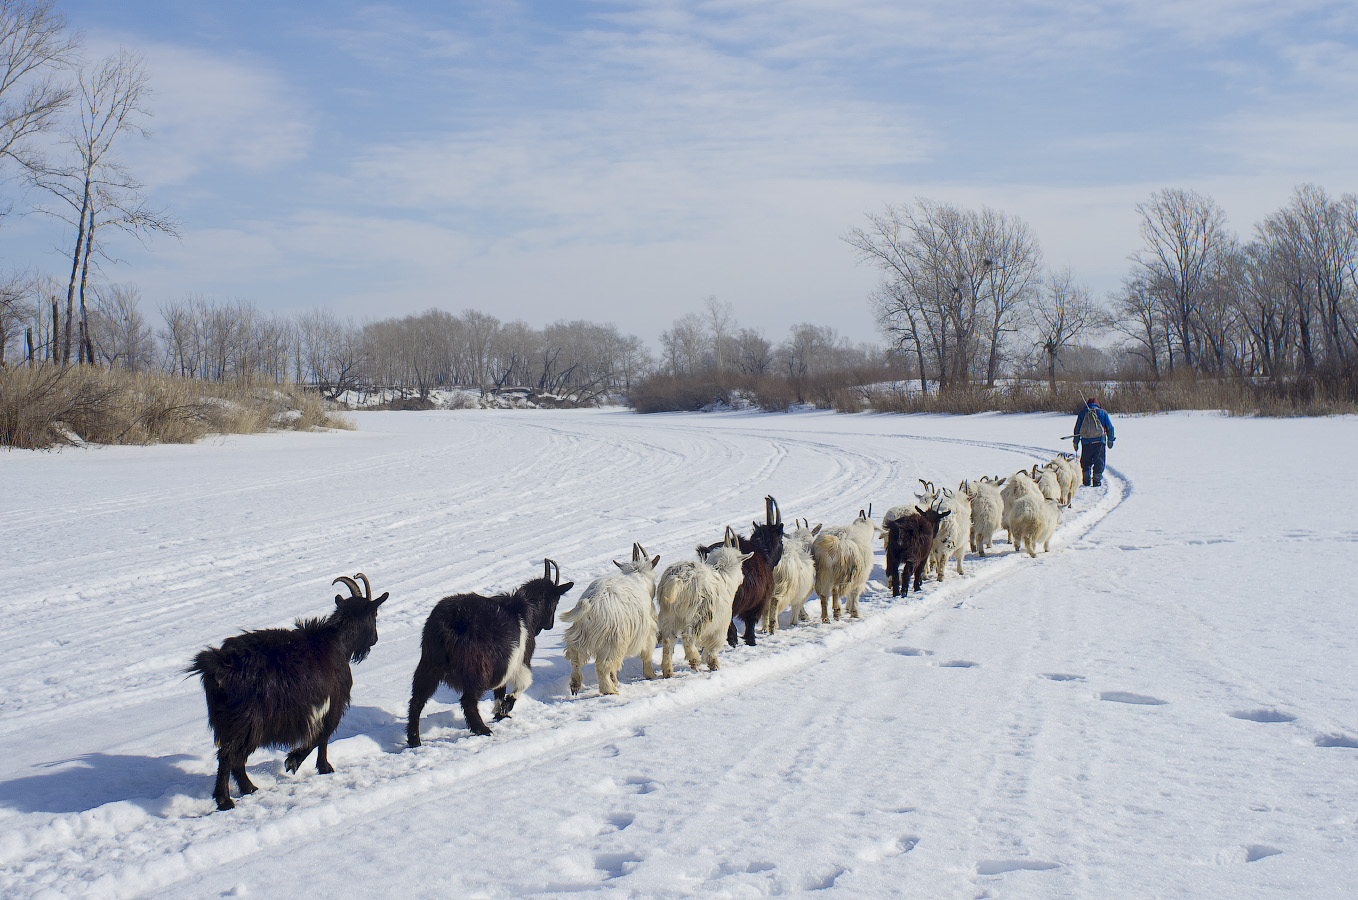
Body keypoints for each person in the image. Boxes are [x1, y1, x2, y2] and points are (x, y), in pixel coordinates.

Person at [1072, 397, 1114, 487]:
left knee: (1085, 461)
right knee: (1099, 461)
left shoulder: (1082, 413)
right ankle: (1097, 480)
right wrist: (1110, 440)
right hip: (1099, 442)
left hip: (1086, 442)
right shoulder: (1103, 413)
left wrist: (1075, 442)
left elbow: (1077, 429)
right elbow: (1110, 427)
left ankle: (1086, 480)